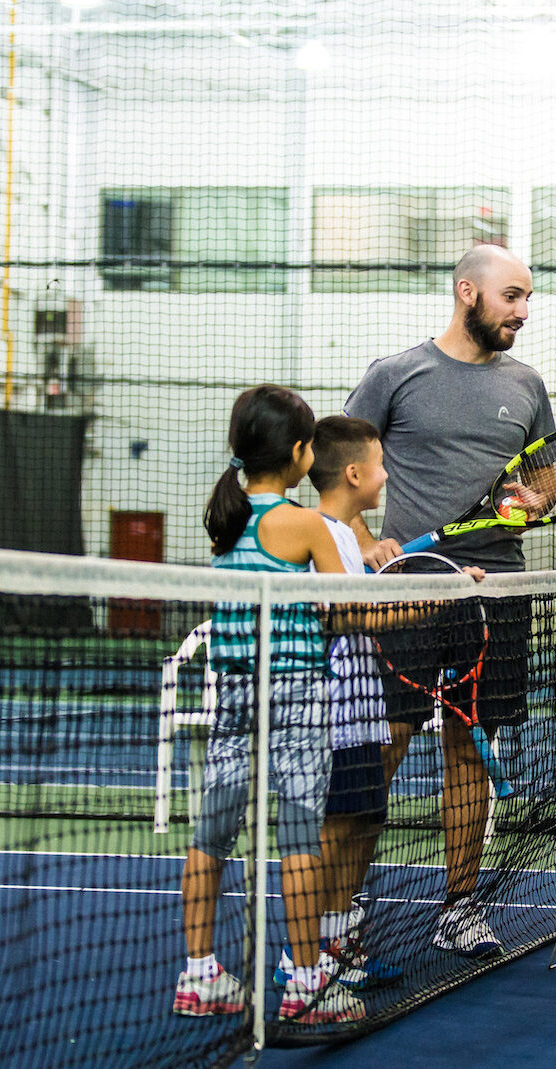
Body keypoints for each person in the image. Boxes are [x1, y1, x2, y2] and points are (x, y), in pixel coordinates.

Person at [342, 244, 555, 958]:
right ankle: (339, 907)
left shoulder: (526, 384)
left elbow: (548, 485)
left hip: (495, 592)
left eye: (527, 298)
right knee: (385, 744)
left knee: (472, 749)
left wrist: (532, 498)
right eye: (512, 297)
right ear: (468, 292)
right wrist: (366, 539)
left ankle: (460, 907)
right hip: (409, 593)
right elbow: (335, 473)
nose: (523, 311)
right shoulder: (395, 375)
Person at [173, 385, 362, 1025]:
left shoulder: (223, 519)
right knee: (302, 840)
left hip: (232, 692)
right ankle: (307, 985)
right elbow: (349, 608)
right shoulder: (307, 524)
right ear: (302, 454)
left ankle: (199, 975)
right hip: (297, 695)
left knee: (210, 836)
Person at [281, 415, 407, 993]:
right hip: (332, 718)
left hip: (362, 712)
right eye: (380, 464)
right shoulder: (320, 534)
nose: (386, 475)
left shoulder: (349, 538)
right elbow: (345, 614)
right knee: (332, 832)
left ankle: (338, 938)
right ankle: (307, 955)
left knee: (363, 820)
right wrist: (434, 602)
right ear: (355, 472)